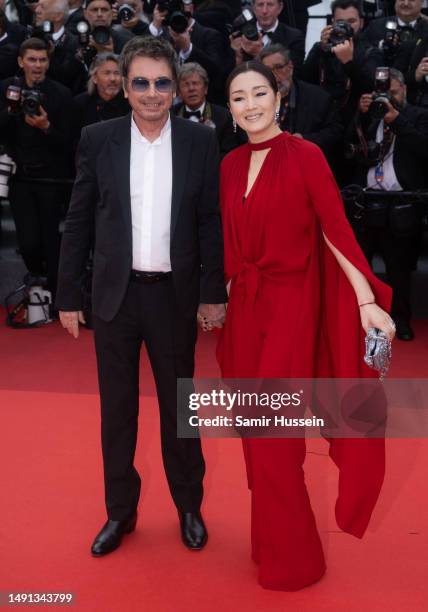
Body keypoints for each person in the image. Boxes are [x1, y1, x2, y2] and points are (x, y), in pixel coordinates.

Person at [217, 60, 395, 591]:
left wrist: (366, 299)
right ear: (229, 110)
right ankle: (269, 540)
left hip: (291, 311)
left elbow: (334, 230)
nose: (249, 105)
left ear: (279, 98)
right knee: (255, 441)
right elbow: (228, 245)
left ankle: (297, 561)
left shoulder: (306, 155)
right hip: (246, 315)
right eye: (238, 98)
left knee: (275, 444)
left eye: (258, 94)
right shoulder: (227, 165)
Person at [56, 36, 227, 556]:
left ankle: (188, 506)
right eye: (140, 83)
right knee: (118, 411)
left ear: (175, 88)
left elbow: (209, 223)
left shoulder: (200, 141)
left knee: (180, 409)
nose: (151, 93)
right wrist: (67, 294)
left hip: (173, 297)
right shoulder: (97, 137)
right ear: (124, 87)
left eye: (161, 83)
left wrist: (211, 292)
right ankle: (120, 513)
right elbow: (79, 218)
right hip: (115, 297)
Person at [344, 69, 428, 340]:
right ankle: (359, 318)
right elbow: (347, 149)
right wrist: (360, 113)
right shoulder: (370, 117)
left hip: (400, 203)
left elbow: (424, 149)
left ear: (404, 90)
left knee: (399, 268)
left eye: (393, 92)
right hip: (366, 201)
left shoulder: (416, 116)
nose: (388, 98)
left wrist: (398, 120)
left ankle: (399, 320)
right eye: (383, 93)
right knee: (360, 268)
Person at [0, 37, 73, 300]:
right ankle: (36, 281)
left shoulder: (62, 94)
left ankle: (53, 295)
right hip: (20, 178)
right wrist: (12, 109)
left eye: (42, 59)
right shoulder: (6, 88)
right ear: (21, 61)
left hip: (52, 179)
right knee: (28, 241)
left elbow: (69, 143)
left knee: (51, 241)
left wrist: (46, 128)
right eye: (32, 59)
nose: (38, 65)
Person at [174, 61, 239, 157]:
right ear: (179, 92)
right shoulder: (170, 115)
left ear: (205, 89)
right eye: (186, 84)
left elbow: (228, 154)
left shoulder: (224, 117)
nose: (191, 88)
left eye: (195, 83)